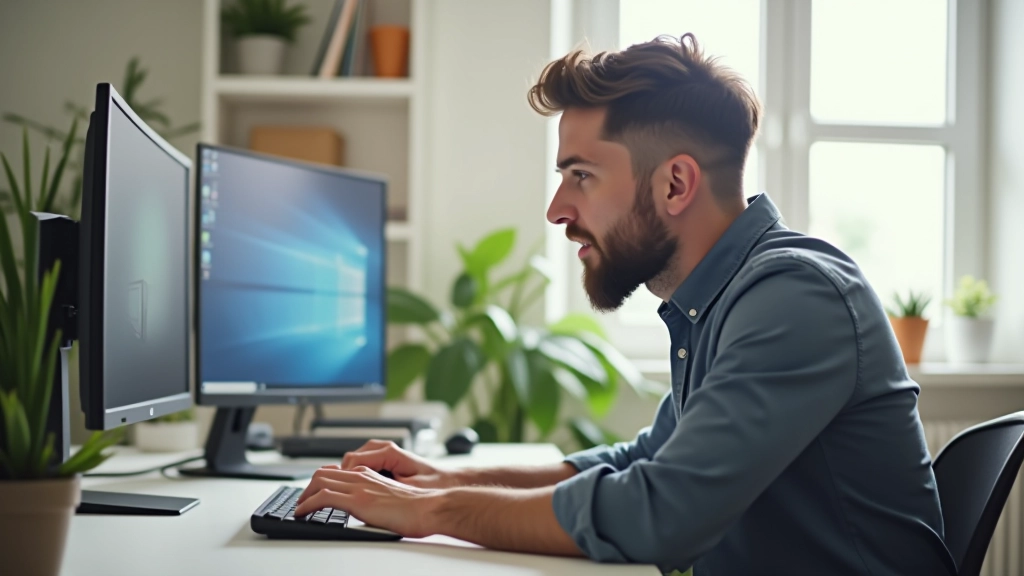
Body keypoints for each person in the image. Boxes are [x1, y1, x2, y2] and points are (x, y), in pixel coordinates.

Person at [295, 34, 956, 575]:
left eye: (581, 175)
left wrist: (427, 515)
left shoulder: (795, 297)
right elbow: (640, 460)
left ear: (675, 182)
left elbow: (658, 514)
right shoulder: (723, 301)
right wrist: (436, 484)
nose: (557, 210)